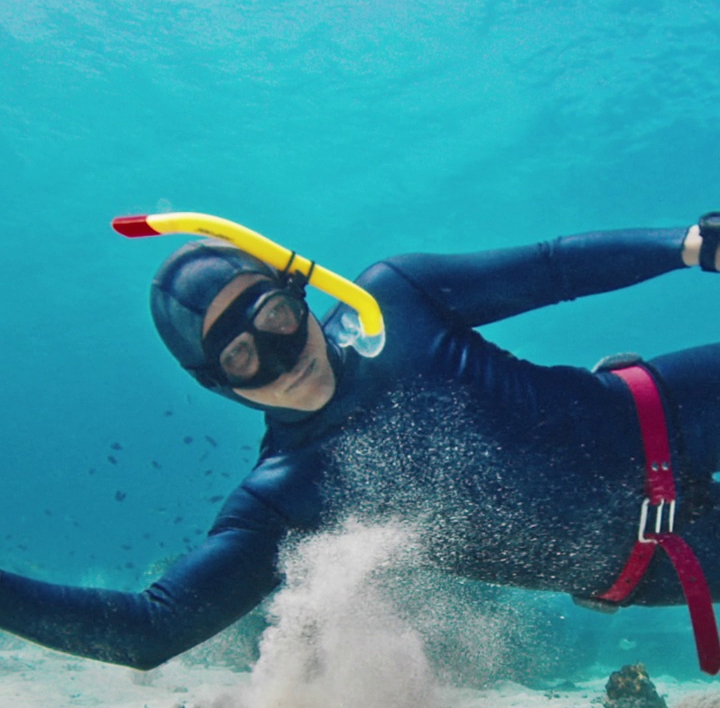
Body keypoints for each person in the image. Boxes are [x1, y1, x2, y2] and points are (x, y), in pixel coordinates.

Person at [2, 214, 720, 673]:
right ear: (219, 385)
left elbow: (553, 268)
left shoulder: (397, 298)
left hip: (677, 410)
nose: (284, 357)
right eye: (245, 358)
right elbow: (150, 629)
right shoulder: (281, 498)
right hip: (664, 564)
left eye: (275, 317)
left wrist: (689, 245)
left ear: (298, 291)